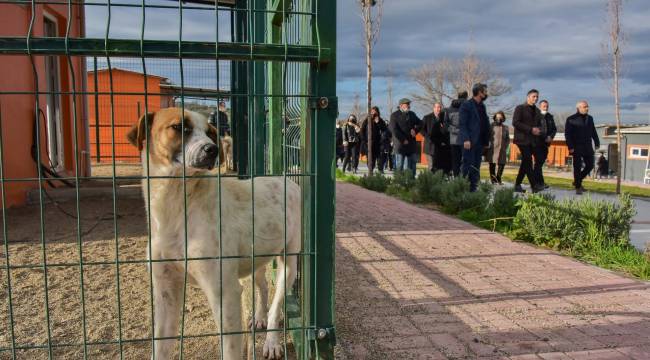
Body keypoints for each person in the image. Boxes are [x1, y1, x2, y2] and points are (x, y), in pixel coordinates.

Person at [459, 84, 491, 192]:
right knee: (467, 166)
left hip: (480, 142)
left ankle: (473, 190)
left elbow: (485, 124)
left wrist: (486, 141)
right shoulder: (466, 105)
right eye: (485, 91)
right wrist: (466, 139)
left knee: (476, 167)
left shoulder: (483, 106)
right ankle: (462, 188)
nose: (486, 94)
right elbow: (462, 124)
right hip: (469, 142)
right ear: (479, 92)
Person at [513, 89, 545, 193]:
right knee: (528, 160)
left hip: (532, 140)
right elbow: (515, 122)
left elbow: (540, 124)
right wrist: (530, 129)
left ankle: (517, 184)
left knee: (525, 162)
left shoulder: (537, 111)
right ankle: (534, 185)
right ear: (528, 97)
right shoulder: (520, 108)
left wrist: (539, 130)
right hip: (522, 139)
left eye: (537, 97)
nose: (535, 98)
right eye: (533, 96)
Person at [565, 100, 600, 194]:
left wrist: (597, 142)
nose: (587, 108)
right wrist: (570, 146)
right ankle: (578, 187)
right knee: (577, 167)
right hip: (576, 146)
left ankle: (577, 181)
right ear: (579, 108)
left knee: (590, 165)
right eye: (585, 107)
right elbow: (567, 134)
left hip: (587, 146)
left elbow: (593, 131)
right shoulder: (571, 119)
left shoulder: (590, 118)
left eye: (587, 106)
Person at [389, 98, 421, 177]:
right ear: (401, 105)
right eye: (407, 104)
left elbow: (421, 123)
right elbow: (394, 129)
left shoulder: (412, 114)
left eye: (409, 104)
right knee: (400, 165)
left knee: (412, 164)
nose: (409, 106)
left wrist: (415, 130)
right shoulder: (394, 115)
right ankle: (398, 182)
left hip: (411, 144)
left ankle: (411, 181)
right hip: (400, 144)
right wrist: (403, 139)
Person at [445, 91, 468, 178]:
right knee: (465, 160)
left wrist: (454, 130)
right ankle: (463, 179)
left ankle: (456, 179)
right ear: (466, 97)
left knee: (455, 161)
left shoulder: (449, 109)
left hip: (454, 139)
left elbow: (446, 124)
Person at [536, 100, 557, 188]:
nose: (546, 107)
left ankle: (538, 182)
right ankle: (539, 183)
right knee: (538, 163)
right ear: (540, 106)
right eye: (544, 106)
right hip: (537, 142)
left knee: (540, 163)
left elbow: (554, 129)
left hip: (546, 143)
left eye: (547, 106)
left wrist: (550, 137)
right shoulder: (536, 115)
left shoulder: (550, 117)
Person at [361, 106, 388, 173]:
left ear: (378, 112)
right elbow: (362, 130)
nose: (373, 113)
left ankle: (380, 170)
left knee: (379, 158)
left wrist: (378, 122)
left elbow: (385, 130)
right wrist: (364, 140)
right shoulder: (367, 120)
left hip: (379, 143)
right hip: (369, 142)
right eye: (372, 112)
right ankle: (371, 171)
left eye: (375, 112)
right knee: (370, 159)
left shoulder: (380, 120)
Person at [487, 111, 510, 185]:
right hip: (492, 148)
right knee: (492, 164)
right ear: (495, 117)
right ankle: (493, 180)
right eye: (497, 117)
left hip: (502, 148)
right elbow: (487, 136)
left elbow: (507, 138)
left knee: (502, 164)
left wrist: (505, 146)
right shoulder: (491, 126)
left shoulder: (505, 127)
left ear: (503, 118)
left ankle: (498, 178)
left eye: (500, 117)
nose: (499, 118)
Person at [421, 102, 444, 173]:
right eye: (437, 107)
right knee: (431, 166)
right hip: (429, 146)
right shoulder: (427, 117)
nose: (438, 109)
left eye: (439, 107)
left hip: (440, 147)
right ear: (433, 108)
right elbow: (421, 129)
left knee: (438, 167)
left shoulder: (444, 118)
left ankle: (436, 182)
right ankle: (429, 182)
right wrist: (428, 136)